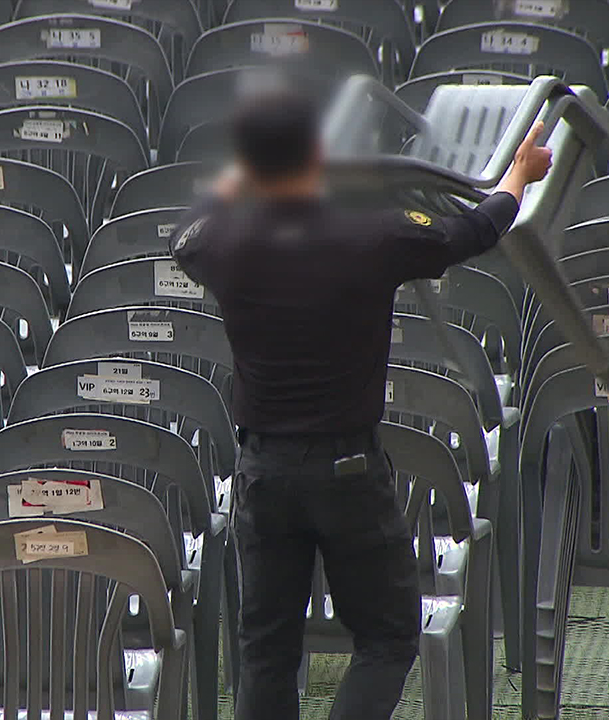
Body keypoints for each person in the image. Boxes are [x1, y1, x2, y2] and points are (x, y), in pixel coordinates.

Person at [169, 90, 554, 720]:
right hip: (346, 468)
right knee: (388, 636)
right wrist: (518, 174)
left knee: (265, 656)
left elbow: (188, 235)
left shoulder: (224, 241)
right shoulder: (369, 231)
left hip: (262, 472)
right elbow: (474, 229)